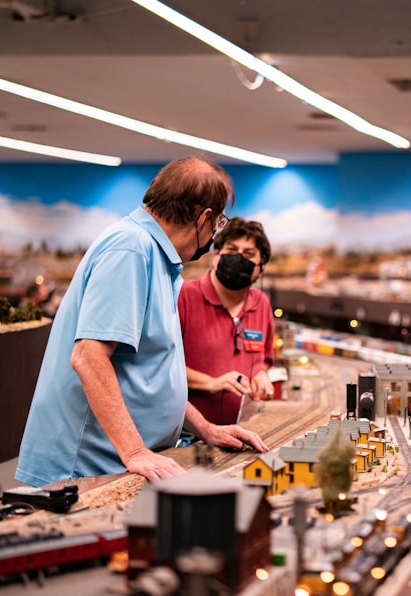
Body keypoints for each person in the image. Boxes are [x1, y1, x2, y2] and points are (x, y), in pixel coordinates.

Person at [15, 157, 266, 487]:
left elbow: (147, 372)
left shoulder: (156, 257)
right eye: (218, 224)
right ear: (203, 218)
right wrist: (135, 451)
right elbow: (88, 358)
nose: (213, 235)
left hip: (113, 460)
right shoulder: (131, 249)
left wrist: (204, 428)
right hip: (86, 467)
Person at [178, 217, 275, 426]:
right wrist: (211, 383)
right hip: (188, 434)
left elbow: (263, 360)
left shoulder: (262, 304)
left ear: (260, 268)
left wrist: (261, 375)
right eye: (231, 250)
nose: (239, 258)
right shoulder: (184, 296)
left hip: (243, 431)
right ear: (215, 256)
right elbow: (161, 366)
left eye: (249, 254)